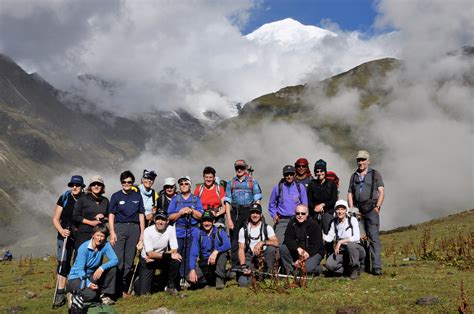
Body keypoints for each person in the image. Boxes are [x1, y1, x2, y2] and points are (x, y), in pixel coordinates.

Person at [347, 150, 385, 276]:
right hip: (358, 212)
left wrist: (377, 207)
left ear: (368, 161)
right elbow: (350, 192)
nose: (360, 162)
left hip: (371, 210)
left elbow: (381, 191)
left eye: (363, 160)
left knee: (374, 239)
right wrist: (351, 208)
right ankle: (363, 265)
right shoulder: (354, 176)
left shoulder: (375, 174)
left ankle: (376, 267)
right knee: (360, 239)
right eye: (359, 160)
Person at [108, 170, 145, 297]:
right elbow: (111, 215)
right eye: (124, 182)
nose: (126, 184)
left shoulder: (137, 196)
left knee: (129, 261)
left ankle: (124, 289)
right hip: (119, 228)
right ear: (121, 183)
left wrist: (142, 233)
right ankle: (114, 288)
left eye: (129, 182)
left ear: (133, 183)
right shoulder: (116, 196)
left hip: (134, 229)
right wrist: (112, 232)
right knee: (118, 260)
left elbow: (141, 215)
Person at [52, 175, 85, 307]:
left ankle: (76, 290)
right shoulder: (64, 198)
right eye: (72, 185)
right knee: (63, 263)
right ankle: (60, 292)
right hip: (64, 236)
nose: (74, 187)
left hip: (79, 236)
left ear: (82, 186)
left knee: (79, 263)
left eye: (77, 185)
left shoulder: (85, 199)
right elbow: (55, 218)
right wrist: (61, 230)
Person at [224, 159, 263, 269]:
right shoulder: (230, 183)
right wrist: (229, 219)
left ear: (245, 168)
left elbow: (257, 199)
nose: (239, 170)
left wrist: (255, 214)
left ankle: (252, 262)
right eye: (237, 168)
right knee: (235, 239)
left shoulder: (252, 181)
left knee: (250, 236)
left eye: (241, 168)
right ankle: (236, 266)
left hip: (248, 211)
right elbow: (227, 201)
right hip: (235, 212)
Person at [67, 224, 118, 307]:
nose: (100, 238)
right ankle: (72, 296)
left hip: (91, 276)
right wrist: (88, 284)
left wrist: (102, 268)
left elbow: (115, 260)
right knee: (91, 295)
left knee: (113, 268)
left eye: (102, 236)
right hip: (77, 277)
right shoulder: (84, 248)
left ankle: (105, 294)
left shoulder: (105, 245)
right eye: (98, 235)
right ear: (93, 235)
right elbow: (80, 270)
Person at [136, 210, 181, 296]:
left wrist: (167, 255)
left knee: (176, 259)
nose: (160, 222)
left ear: (167, 221)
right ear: (154, 220)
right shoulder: (148, 231)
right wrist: (168, 255)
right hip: (147, 260)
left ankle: (170, 286)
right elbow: (149, 253)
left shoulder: (171, 229)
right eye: (158, 219)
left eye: (163, 219)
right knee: (143, 293)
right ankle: (139, 282)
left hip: (159, 258)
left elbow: (174, 249)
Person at [167, 176, 204, 280]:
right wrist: (180, 212)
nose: (183, 186)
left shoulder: (195, 199)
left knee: (190, 254)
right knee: (177, 253)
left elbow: (201, 216)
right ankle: (177, 277)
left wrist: (191, 211)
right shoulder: (175, 199)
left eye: (186, 183)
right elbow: (170, 217)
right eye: (181, 184)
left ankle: (187, 276)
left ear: (190, 185)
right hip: (179, 230)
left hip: (193, 230)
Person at [237, 204, 278, 287]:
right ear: (249, 214)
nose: (255, 215)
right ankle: (254, 275)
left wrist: (262, 243)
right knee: (243, 283)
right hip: (250, 257)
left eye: (257, 213)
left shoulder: (267, 228)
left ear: (261, 215)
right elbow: (241, 249)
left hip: (264, 258)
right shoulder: (243, 229)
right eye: (253, 213)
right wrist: (243, 266)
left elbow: (276, 242)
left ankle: (267, 274)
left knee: (271, 249)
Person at [188, 211, 231, 290]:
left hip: (217, 262)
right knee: (191, 279)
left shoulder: (219, 231)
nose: (206, 223)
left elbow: (228, 244)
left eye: (209, 220)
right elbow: (193, 254)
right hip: (205, 263)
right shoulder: (198, 234)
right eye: (204, 221)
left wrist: (216, 251)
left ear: (213, 221)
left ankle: (219, 278)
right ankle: (207, 282)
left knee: (224, 253)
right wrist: (192, 269)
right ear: (201, 222)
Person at [323, 200, 365, 279]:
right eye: (338, 209)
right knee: (329, 265)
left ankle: (355, 268)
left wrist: (341, 241)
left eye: (342, 209)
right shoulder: (334, 223)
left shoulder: (352, 220)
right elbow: (329, 238)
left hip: (357, 250)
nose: (340, 211)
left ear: (346, 210)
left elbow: (356, 237)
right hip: (343, 251)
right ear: (335, 210)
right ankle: (343, 269)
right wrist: (321, 235)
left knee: (351, 245)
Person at [280, 204, 324, 276]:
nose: (300, 215)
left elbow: (317, 245)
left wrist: (302, 259)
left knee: (307, 269)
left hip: (313, 252)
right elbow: (287, 239)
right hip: (299, 251)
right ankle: (291, 272)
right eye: (297, 213)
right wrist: (297, 248)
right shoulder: (292, 223)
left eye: (303, 213)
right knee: (283, 248)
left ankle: (318, 269)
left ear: (307, 214)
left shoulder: (314, 225)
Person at [268, 165, 308, 244]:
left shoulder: (300, 187)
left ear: (294, 175)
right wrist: (274, 215)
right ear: (284, 175)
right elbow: (271, 204)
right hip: (282, 219)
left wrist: (304, 217)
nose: (289, 176)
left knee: (298, 242)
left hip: (297, 219)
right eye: (286, 175)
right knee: (279, 242)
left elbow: (305, 205)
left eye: (291, 174)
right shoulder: (278, 187)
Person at [73, 176, 109, 252]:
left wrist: (103, 218)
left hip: (99, 236)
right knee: (80, 258)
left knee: (96, 259)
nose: (96, 186)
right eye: (93, 184)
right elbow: (75, 216)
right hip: (83, 234)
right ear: (90, 187)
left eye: (99, 184)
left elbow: (109, 217)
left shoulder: (105, 201)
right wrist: (91, 222)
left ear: (102, 187)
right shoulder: (82, 199)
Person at [307, 159, 338, 235]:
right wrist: (314, 208)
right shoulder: (312, 184)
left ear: (325, 171)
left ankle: (329, 246)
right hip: (314, 212)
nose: (319, 173)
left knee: (328, 234)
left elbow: (333, 200)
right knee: (314, 234)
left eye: (321, 171)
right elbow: (308, 200)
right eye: (317, 171)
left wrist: (323, 205)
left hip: (328, 212)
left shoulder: (332, 184)